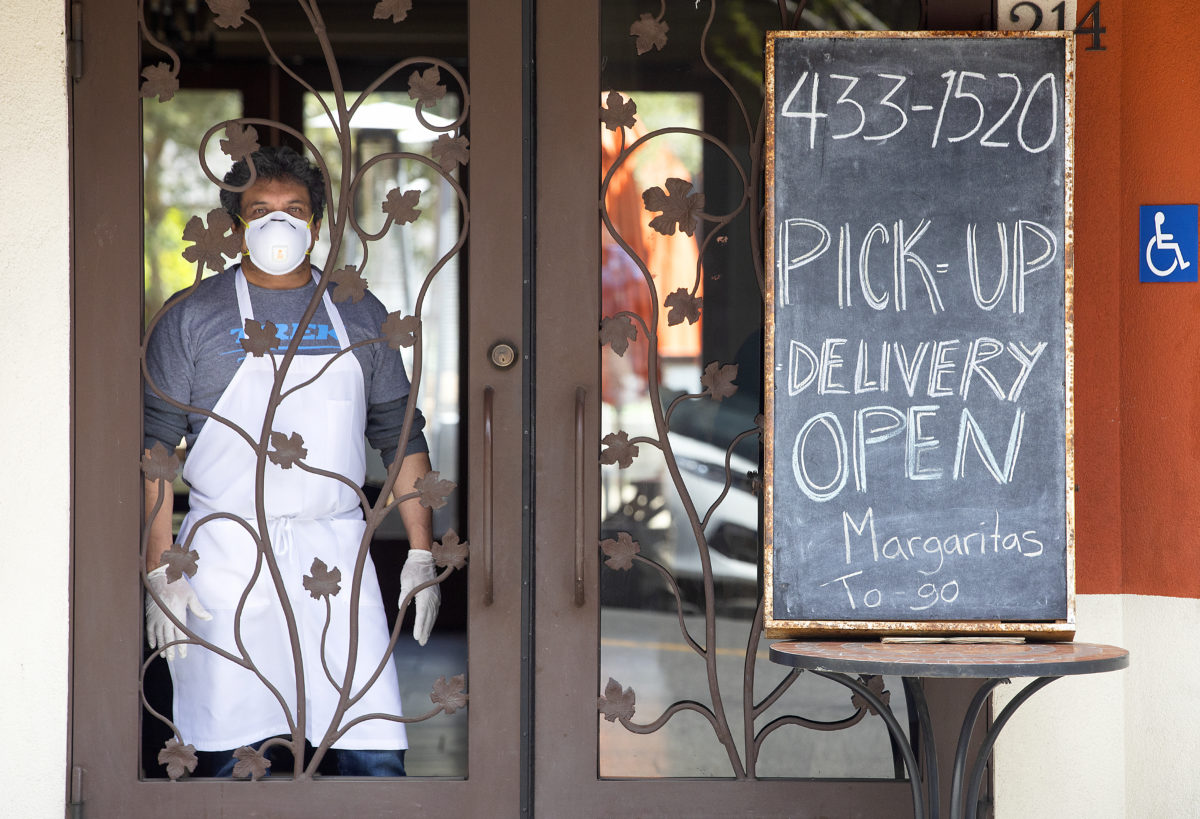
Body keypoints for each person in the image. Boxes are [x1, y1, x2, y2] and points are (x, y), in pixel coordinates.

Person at [142, 145, 438, 777]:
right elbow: (157, 449)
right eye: (260, 210)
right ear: (238, 223)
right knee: (227, 755)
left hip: (333, 555)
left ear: (316, 221)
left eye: (293, 209)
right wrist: (162, 571)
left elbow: (400, 433)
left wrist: (420, 552)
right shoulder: (192, 318)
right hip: (226, 563)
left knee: (366, 754)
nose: (278, 223)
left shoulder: (359, 312)